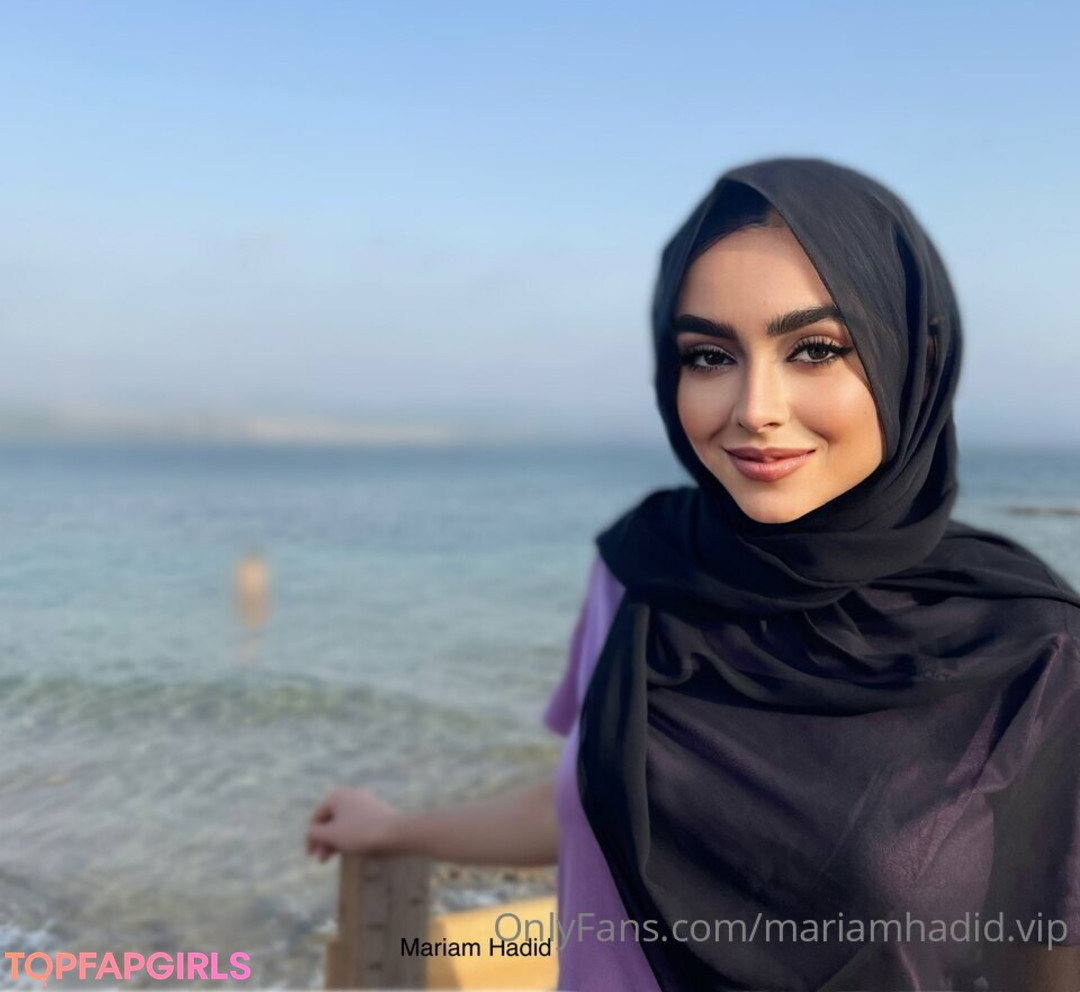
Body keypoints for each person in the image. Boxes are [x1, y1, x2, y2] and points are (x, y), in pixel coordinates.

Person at [305, 157, 1080, 991]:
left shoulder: (1036, 653)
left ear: (915, 360)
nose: (754, 409)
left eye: (815, 349)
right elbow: (588, 799)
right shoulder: (643, 569)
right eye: (710, 357)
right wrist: (397, 829)